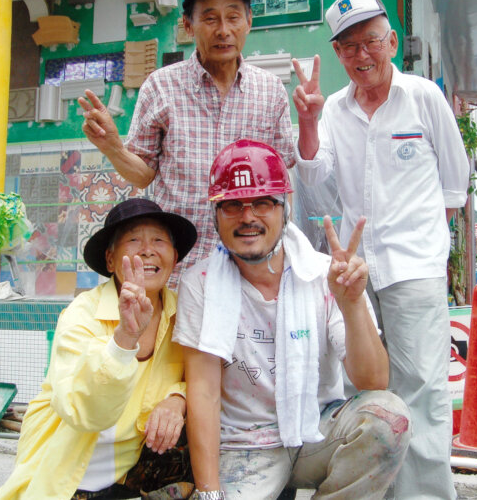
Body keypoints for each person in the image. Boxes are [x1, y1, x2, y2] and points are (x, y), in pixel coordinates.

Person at [291, 0, 469, 499]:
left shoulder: (424, 97)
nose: (362, 55)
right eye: (348, 47)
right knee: (367, 391)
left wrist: (429, 252)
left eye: (371, 41)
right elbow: (315, 174)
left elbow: (453, 189)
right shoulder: (335, 113)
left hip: (415, 271)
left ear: (391, 40)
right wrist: (307, 121)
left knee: (423, 394)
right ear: (338, 54)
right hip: (357, 277)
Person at [174, 140, 410, 500]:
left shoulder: (327, 275)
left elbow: (373, 380)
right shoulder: (200, 285)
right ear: (215, 216)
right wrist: (209, 493)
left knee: (387, 418)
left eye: (263, 203)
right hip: (244, 446)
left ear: (285, 209)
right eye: (233, 206)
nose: (248, 217)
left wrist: (351, 305)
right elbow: (203, 393)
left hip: (316, 429)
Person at [79, 0, 295, 287]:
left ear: (249, 21)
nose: (223, 30)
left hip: (250, 272)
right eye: (209, 18)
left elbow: (282, 179)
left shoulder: (271, 90)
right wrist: (113, 147)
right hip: (180, 273)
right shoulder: (161, 86)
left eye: (233, 17)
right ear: (188, 24)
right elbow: (144, 173)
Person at [0, 198, 198, 499]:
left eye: (158, 240)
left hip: (133, 468)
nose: (147, 250)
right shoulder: (82, 314)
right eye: (133, 240)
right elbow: (83, 411)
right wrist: (126, 338)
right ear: (111, 260)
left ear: (175, 257)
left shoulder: (185, 314)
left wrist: (178, 398)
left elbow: (209, 379)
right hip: (72, 477)